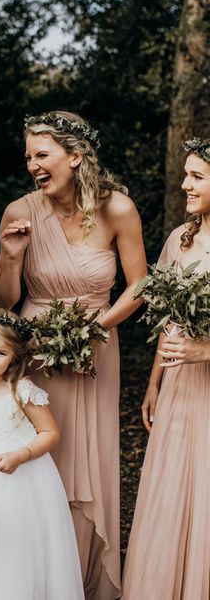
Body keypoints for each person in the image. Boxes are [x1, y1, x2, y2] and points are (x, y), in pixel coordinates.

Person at [0, 111, 146, 599]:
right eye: (28, 157)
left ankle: (80, 577)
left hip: (95, 349)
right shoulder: (20, 209)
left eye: (43, 154)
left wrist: (94, 329)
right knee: (42, 456)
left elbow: (140, 284)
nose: (33, 165)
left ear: (76, 156)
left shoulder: (117, 209)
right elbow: (4, 301)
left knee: (89, 457)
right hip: (36, 351)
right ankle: (35, 579)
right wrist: (12, 256)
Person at [122, 138, 210, 599]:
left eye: (196, 176)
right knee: (173, 487)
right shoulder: (181, 238)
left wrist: (207, 351)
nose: (184, 184)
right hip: (177, 384)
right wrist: (154, 381)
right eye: (185, 174)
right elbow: (169, 318)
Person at [0, 309, 83, 600]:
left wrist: (20, 456)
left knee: (18, 541)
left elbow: (50, 433)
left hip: (24, 480)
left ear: (14, 357)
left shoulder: (20, 389)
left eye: (0, 353)